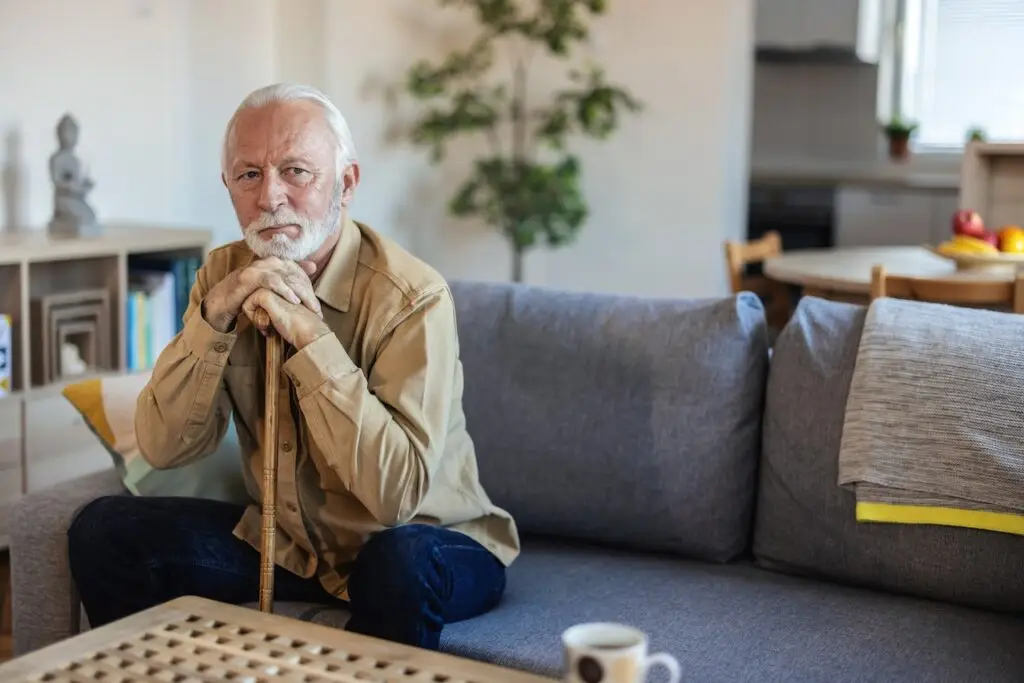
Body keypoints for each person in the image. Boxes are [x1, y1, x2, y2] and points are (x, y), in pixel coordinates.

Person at [66, 83, 520, 651]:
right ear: (228, 187)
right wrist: (216, 319)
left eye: (296, 171)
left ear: (346, 182)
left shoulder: (413, 298)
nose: (270, 197)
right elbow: (165, 447)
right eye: (249, 175)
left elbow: (396, 496)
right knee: (105, 530)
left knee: (399, 559)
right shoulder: (220, 278)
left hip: (428, 541)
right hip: (293, 547)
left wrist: (312, 340)